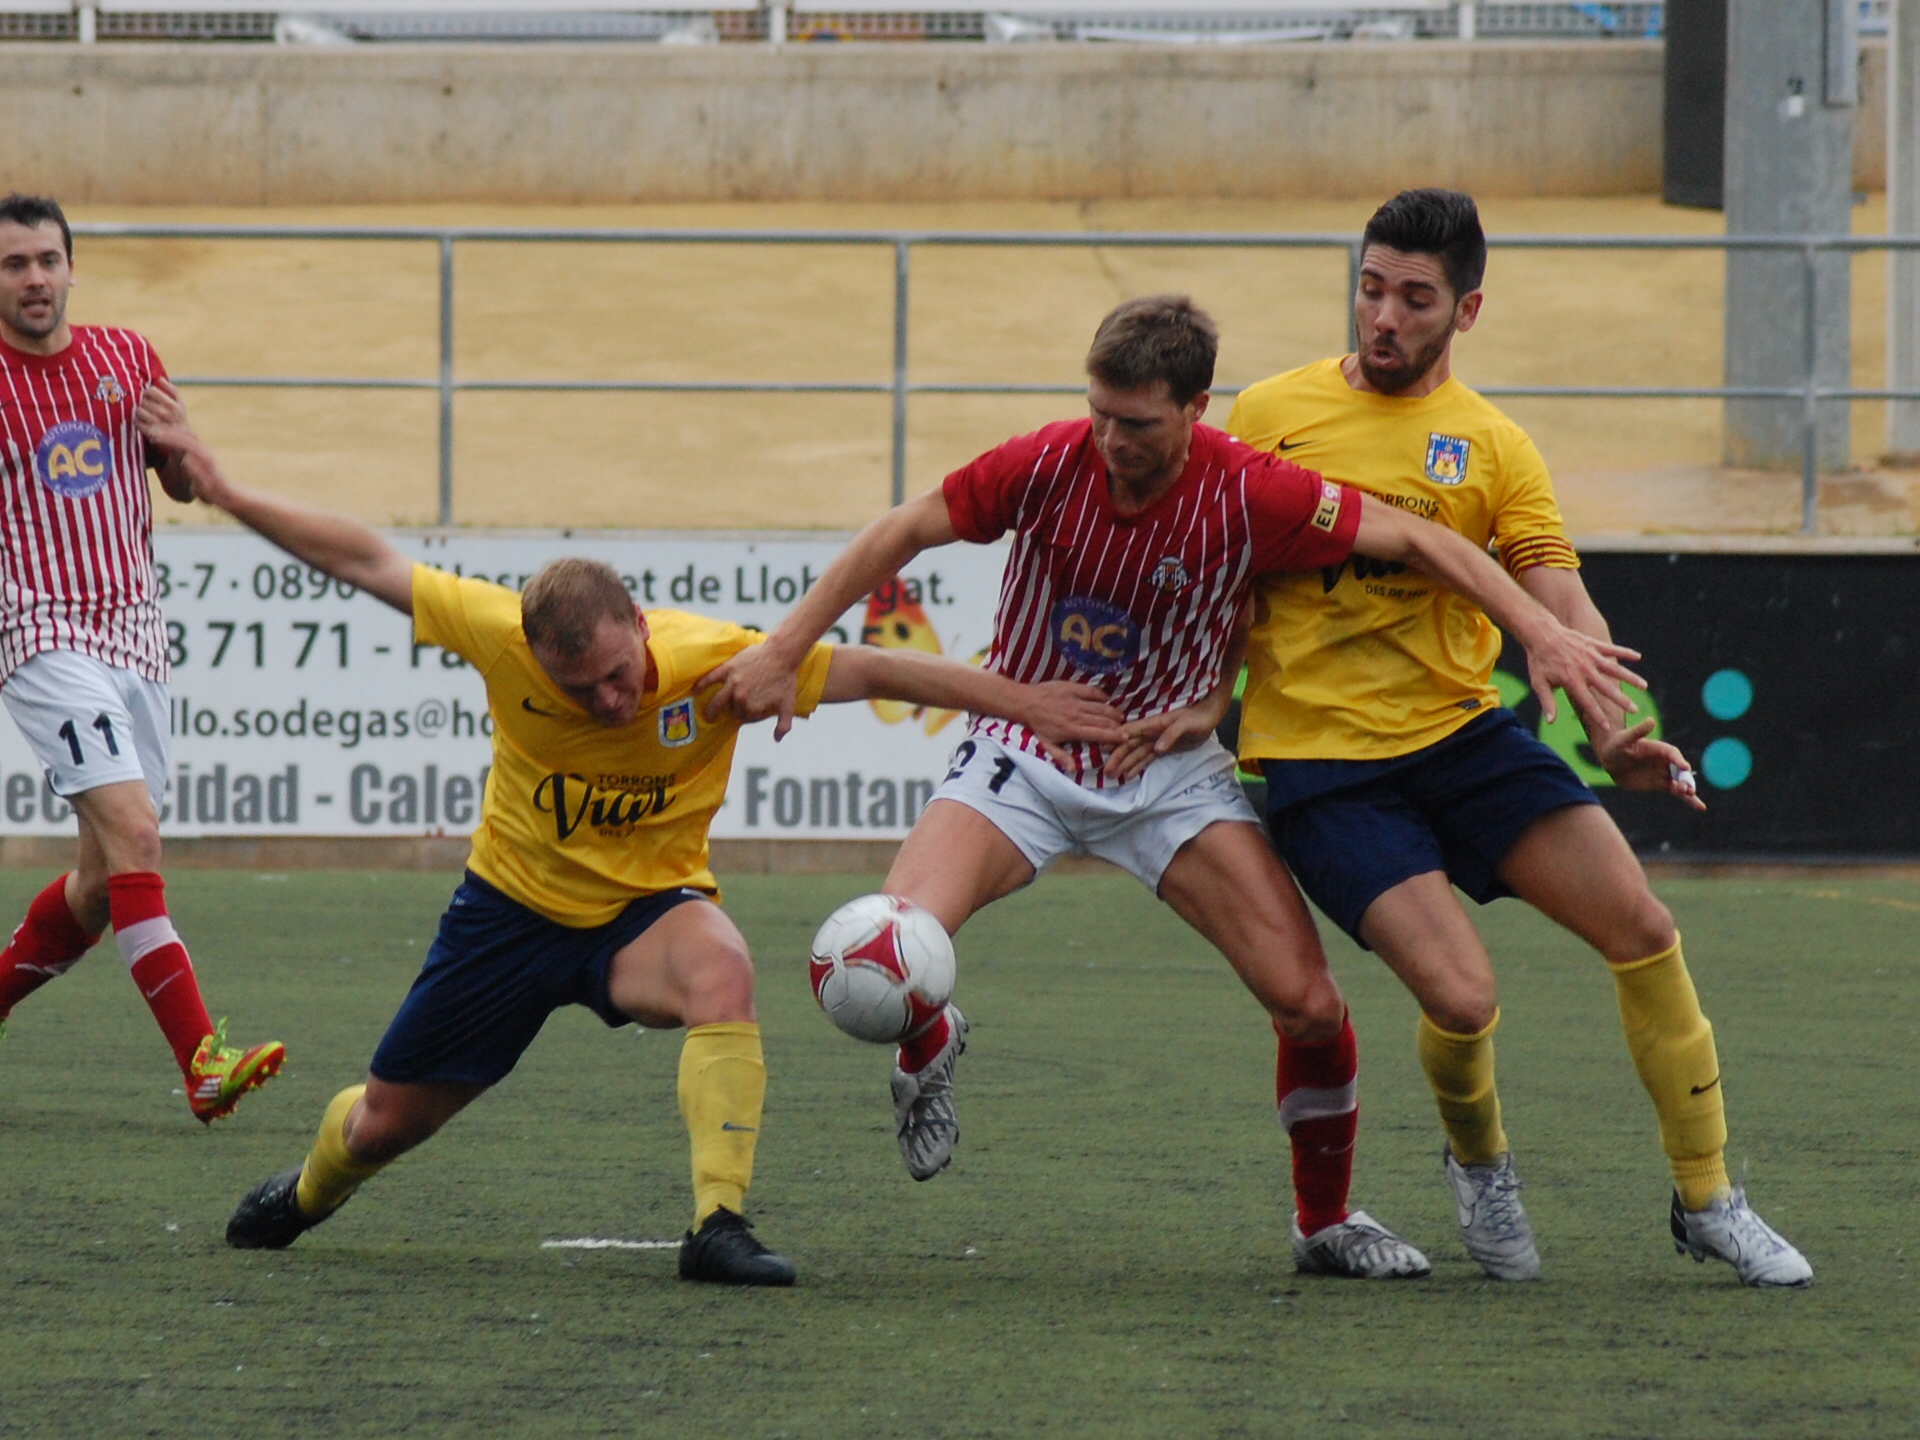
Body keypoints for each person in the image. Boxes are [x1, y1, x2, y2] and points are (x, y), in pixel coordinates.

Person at [701, 295, 1641, 1280]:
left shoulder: (1253, 489)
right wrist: (785, 646)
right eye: (1100, 411)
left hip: (1166, 778)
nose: (1110, 439)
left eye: (1137, 422)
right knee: (889, 947)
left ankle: (1322, 1222)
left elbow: (1420, 543)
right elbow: (903, 530)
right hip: (1018, 756)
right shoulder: (1049, 462)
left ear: (1197, 408)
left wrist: (1541, 632)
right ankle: (929, 1036)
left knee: (1312, 1005)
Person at [134, 385, 1123, 1285]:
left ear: (639, 629)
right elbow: (364, 559)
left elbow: (886, 672)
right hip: (507, 916)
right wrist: (222, 488)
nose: (612, 701)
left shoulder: (711, 664)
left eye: (622, 673)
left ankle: (718, 1227)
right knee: (387, 1124)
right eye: (584, 689)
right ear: (539, 661)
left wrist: (1022, 701)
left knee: (723, 969)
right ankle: (305, 1193)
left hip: (646, 914)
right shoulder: (496, 635)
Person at [1224, 188, 1811, 1287]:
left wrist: (1621, 727)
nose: (1383, 317)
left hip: (1463, 740)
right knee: (1464, 997)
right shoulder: (1266, 413)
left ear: (1468, 310)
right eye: (1370, 288)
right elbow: (1217, 569)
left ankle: (1709, 1197)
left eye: (1414, 297)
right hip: (1326, 767)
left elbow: (1565, 609)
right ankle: (1481, 1163)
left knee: (1642, 924)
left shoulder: (1494, 445)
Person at [0, 192, 284, 1123]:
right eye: (14, 265)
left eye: (47, 261)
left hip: (134, 632)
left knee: (95, 885)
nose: (34, 280)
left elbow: (180, 483)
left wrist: (184, 449)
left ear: (72, 267)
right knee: (139, 835)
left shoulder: (128, 359)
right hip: (36, 629)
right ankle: (202, 1063)